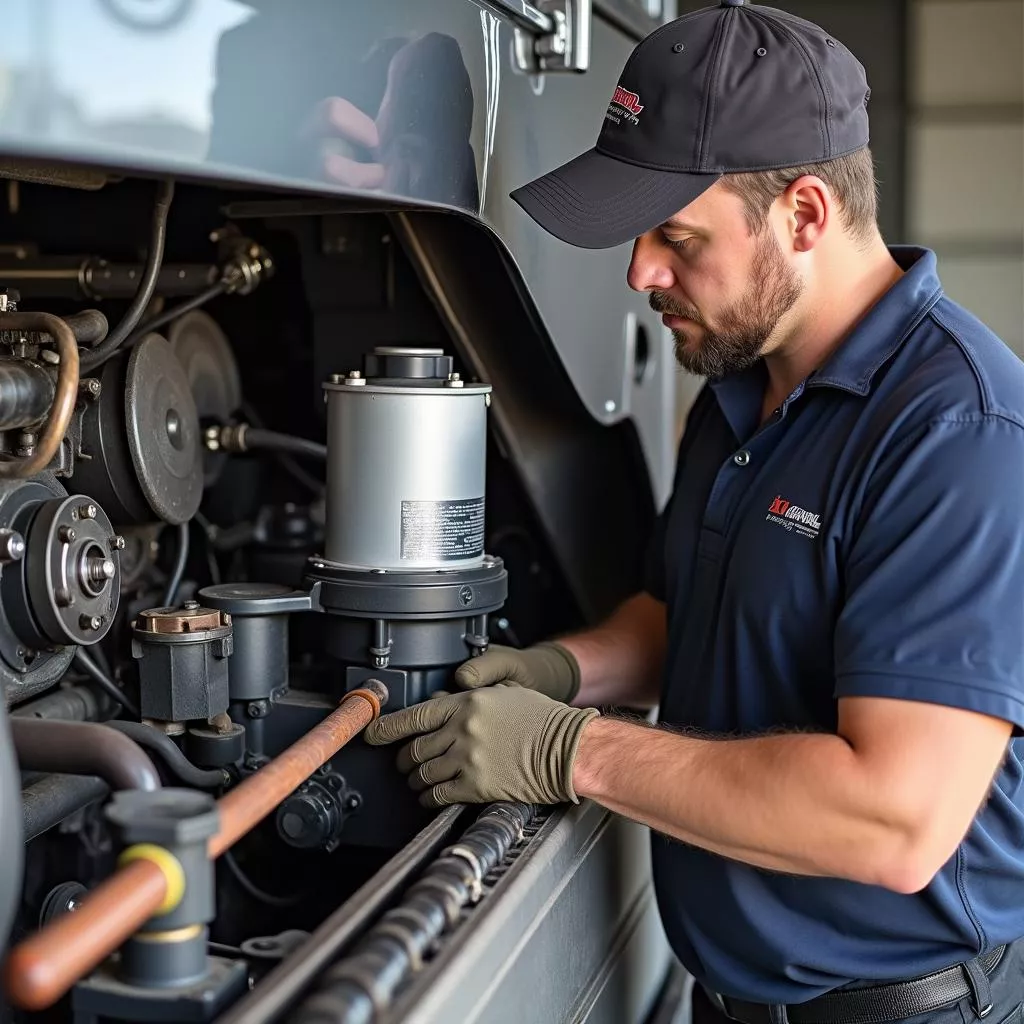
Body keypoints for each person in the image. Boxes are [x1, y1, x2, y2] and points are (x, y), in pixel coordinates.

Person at [364, 2, 1024, 1021]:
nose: (640, 274)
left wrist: (569, 748)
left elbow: (894, 819)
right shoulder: (737, 390)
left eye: (676, 237)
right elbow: (695, 615)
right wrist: (562, 669)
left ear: (804, 215)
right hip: (721, 994)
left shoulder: (957, 434)